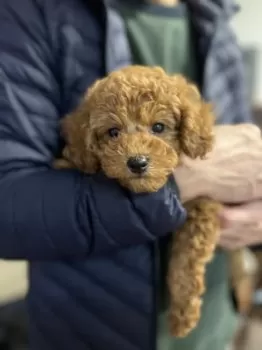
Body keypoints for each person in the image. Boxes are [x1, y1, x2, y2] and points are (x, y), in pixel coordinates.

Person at [0, 0, 262, 349]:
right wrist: (189, 179)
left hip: (213, 322)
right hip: (90, 329)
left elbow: (243, 163)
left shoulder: (216, 16)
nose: (135, 148)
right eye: (113, 133)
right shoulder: (27, 13)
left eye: (158, 127)